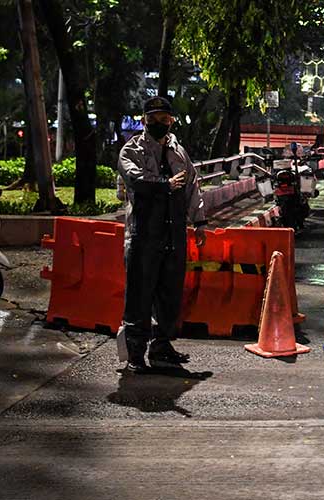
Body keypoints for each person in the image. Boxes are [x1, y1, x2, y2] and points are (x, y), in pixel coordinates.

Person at [116, 96, 208, 373]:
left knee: (170, 293)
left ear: (172, 121)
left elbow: (192, 185)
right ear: (144, 120)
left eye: (164, 119)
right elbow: (134, 179)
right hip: (144, 234)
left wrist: (200, 221)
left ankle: (162, 347)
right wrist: (165, 185)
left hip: (174, 233)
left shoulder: (178, 149)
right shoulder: (131, 150)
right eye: (153, 118)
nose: (159, 124)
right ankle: (135, 355)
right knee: (139, 295)